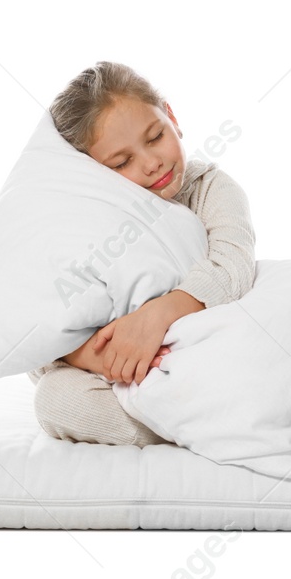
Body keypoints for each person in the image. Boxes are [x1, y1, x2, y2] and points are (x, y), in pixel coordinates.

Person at [27, 61, 257, 446]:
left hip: (209, 360)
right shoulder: (82, 225)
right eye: (122, 162)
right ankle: (218, 424)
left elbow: (232, 268)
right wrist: (96, 356)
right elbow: (36, 335)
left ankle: (248, 408)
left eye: (155, 137)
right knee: (55, 399)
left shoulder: (209, 188)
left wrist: (156, 317)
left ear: (171, 116)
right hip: (126, 380)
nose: (152, 163)